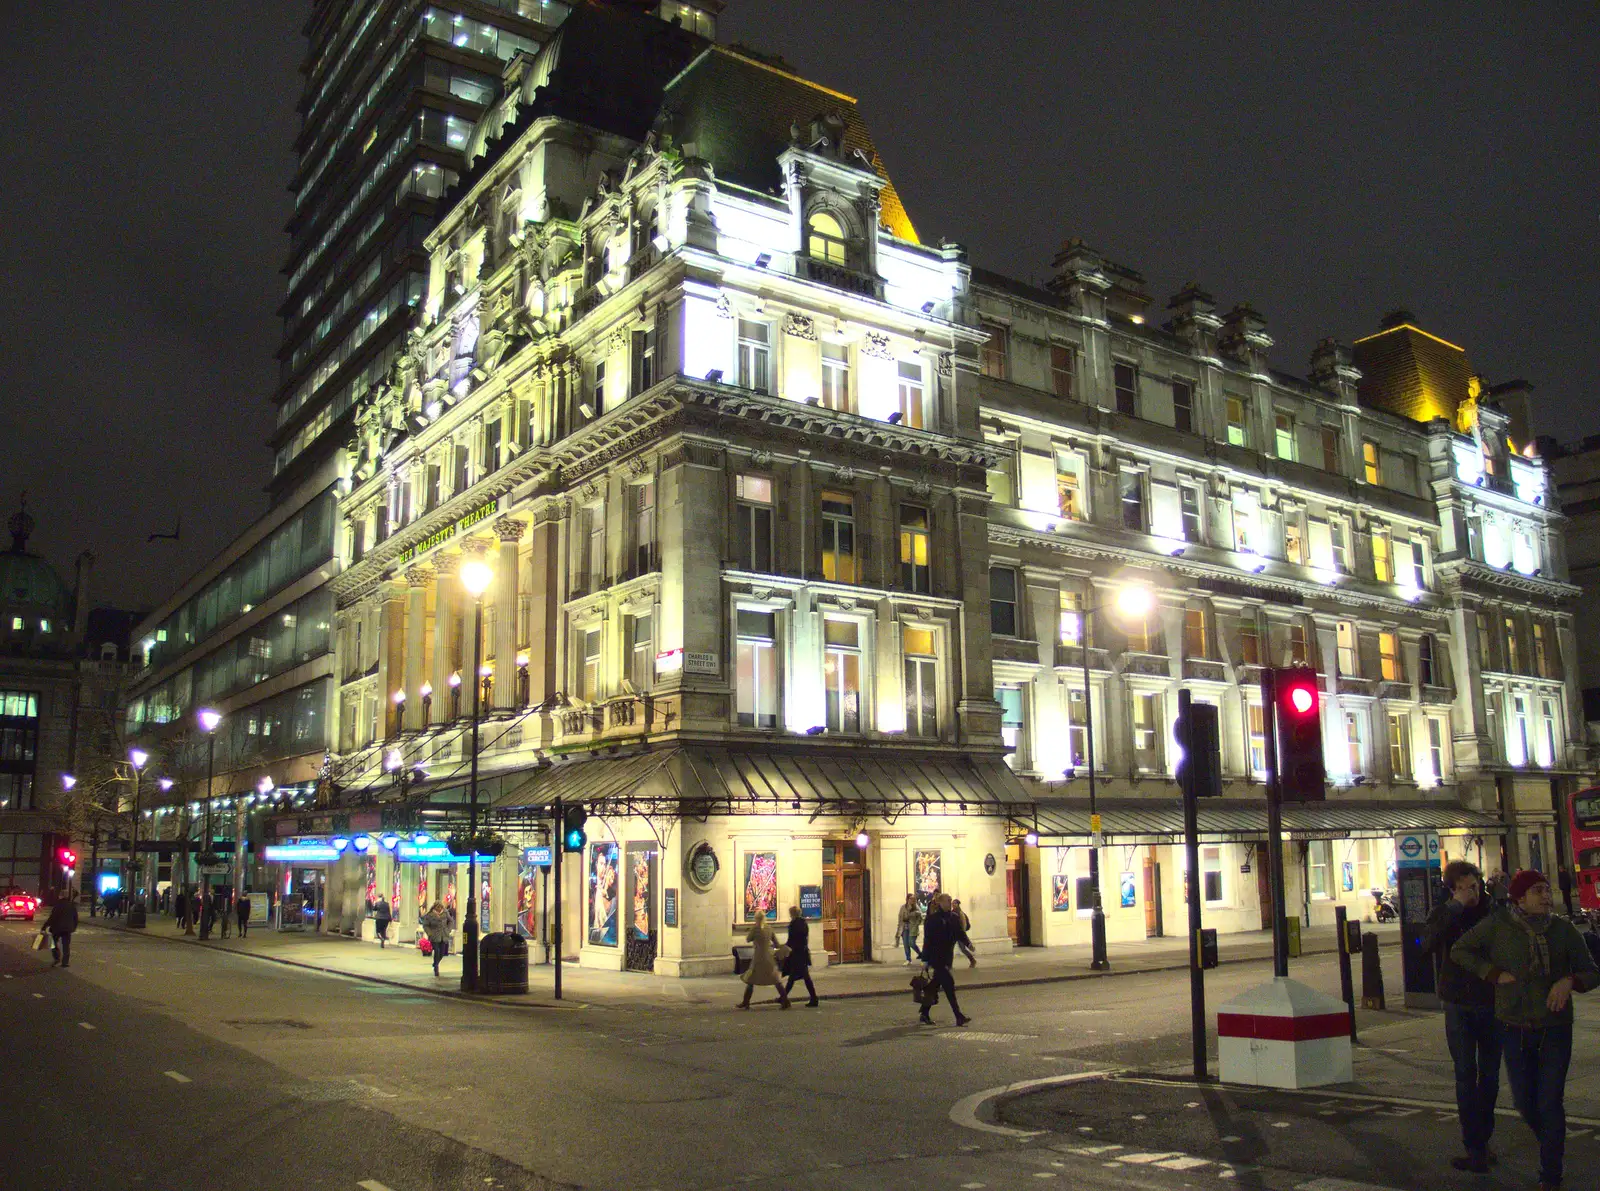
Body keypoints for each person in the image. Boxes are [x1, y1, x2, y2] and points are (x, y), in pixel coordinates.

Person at [1453, 869, 1599, 1191]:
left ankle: (1551, 1173)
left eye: (1547, 890)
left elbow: (1591, 970)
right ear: (1519, 898)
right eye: (1537, 891)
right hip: (1514, 1027)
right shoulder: (1498, 927)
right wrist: (1491, 973)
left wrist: (1570, 981)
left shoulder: (1563, 930)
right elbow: (1460, 950)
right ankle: (1550, 1140)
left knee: (1549, 1102)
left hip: (1555, 1028)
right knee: (1525, 1102)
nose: (1546, 896)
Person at [1423, 860, 1499, 1173]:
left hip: (1492, 1003)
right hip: (1458, 1004)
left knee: (1491, 1076)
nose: (1474, 891)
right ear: (1453, 889)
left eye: (1477, 885)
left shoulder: (1494, 911)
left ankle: (1483, 1138)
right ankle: (1475, 1147)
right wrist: (1454, 908)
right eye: (1466, 887)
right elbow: (1425, 943)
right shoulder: (1444, 914)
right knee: (1466, 1075)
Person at [917, 893, 972, 1027]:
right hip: (936, 958)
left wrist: (969, 944)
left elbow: (960, 933)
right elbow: (927, 941)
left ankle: (924, 1011)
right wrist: (925, 960)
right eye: (948, 901)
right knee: (949, 984)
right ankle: (958, 1016)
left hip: (947, 957)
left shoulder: (953, 917)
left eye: (950, 900)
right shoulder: (932, 919)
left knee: (934, 986)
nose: (950, 902)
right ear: (940, 903)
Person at [737, 914, 790, 1010]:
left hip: (758, 957)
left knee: (751, 979)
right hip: (769, 957)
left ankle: (746, 1002)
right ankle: (785, 1000)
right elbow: (777, 943)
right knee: (776, 980)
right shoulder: (769, 928)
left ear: (756, 919)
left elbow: (748, 939)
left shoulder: (755, 928)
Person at [780, 905, 818, 1007]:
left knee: (799, 977)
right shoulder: (804, 923)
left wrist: (784, 948)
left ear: (792, 914)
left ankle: (783, 997)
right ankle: (783, 997)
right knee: (798, 977)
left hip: (797, 954)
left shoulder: (793, 924)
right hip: (803, 952)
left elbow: (791, 939)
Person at [42, 891, 79, 968]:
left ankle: (57, 957)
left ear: (61, 896)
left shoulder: (58, 905)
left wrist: (44, 927)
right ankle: (65, 962)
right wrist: (73, 927)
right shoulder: (72, 905)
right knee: (66, 945)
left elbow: (52, 918)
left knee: (54, 943)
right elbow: (75, 918)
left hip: (57, 928)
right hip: (67, 928)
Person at [421, 901, 451, 977]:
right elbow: (425, 925)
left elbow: (450, 921)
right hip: (434, 936)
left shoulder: (445, 913)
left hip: (444, 935)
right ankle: (436, 968)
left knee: (442, 952)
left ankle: (435, 963)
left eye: (441, 907)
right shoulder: (429, 915)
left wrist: (448, 930)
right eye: (438, 907)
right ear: (434, 907)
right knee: (437, 951)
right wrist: (429, 933)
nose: (439, 909)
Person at [895, 894, 923, 965]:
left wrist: (916, 922)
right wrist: (899, 929)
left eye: (913, 899)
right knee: (906, 944)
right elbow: (900, 918)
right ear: (907, 899)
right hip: (904, 927)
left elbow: (920, 916)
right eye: (910, 898)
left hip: (912, 928)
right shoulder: (903, 907)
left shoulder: (916, 907)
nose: (912, 900)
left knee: (911, 943)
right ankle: (908, 959)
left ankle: (921, 954)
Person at [952, 898, 978, 967]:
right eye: (953, 903)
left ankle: (972, 960)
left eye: (955, 903)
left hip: (959, 933)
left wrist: (962, 933)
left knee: (963, 949)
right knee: (950, 948)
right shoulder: (952, 912)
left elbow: (964, 924)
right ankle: (949, 964)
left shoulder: (960, 913)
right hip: (953, 933)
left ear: (958, 904)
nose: (953, 904)